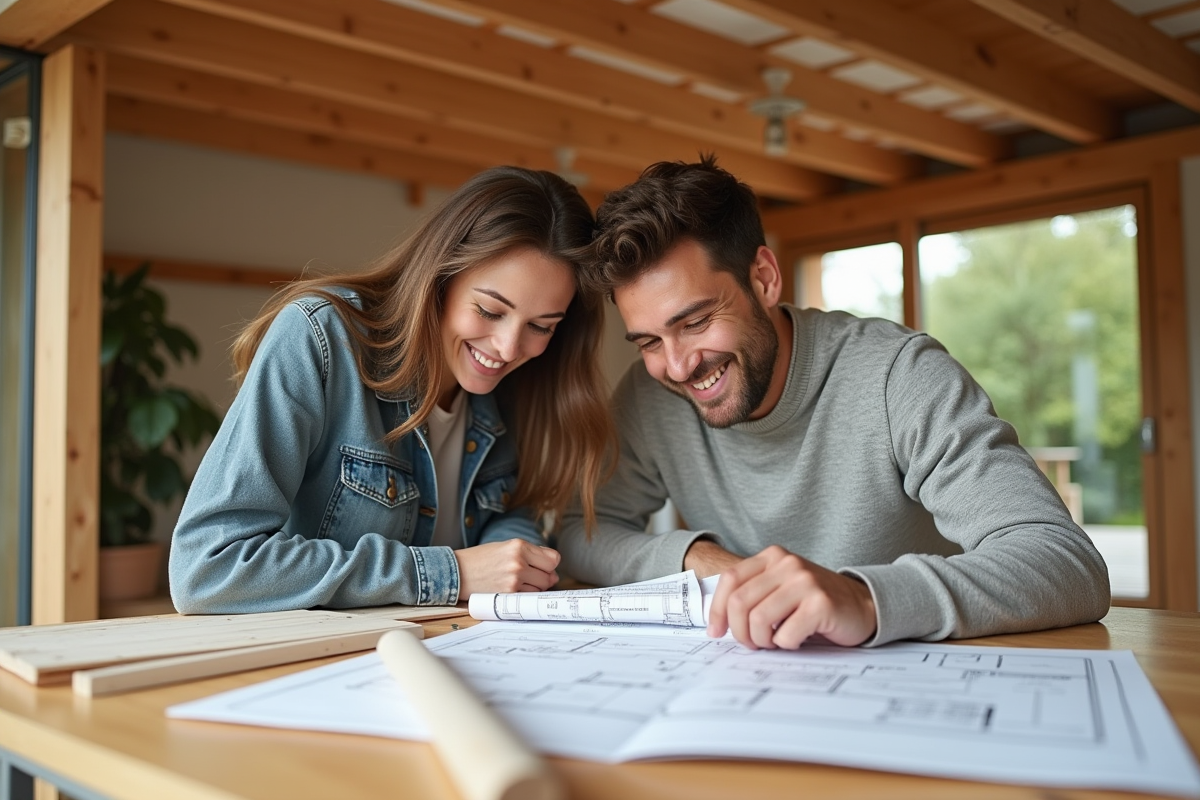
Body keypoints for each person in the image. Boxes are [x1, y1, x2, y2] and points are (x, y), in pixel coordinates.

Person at [558, 156, 1110, 650]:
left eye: (696, 321)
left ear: (764, 278)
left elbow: (1066, 562)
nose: (677, 366)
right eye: (650, 341)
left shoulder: (900, 375)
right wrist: (693, 560)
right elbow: (580, 532)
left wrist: (864, 599)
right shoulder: (650, 394)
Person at [170, 166, 613, 613]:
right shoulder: (322, 338)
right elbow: (206, 568)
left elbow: (508, 517)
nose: (509, 347)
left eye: (541, 326)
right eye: (489, 310)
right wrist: (450, 573)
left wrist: (514, 560)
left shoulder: (525, 381)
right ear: (440, 277)